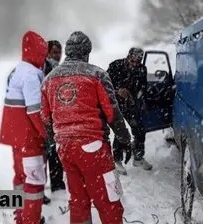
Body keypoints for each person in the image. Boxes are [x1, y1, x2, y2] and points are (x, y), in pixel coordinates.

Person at [41, 31, 131, 224]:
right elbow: (112, 112)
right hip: (93, 148)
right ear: (86, 53)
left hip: (65, 149)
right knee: (109, 200)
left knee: (78, 200)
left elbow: (46, 118)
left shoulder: (48, 79)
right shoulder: (96, 74)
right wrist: (124, 137)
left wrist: (56, 140)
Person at [0, 30, 48, 224]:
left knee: (20, 176)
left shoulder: (17, 70)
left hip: (15, 135)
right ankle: (30, 220)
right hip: (29, 137)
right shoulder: (31, 74)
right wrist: (45, 134)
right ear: (38, 52)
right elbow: (35, 110)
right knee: (35, 180)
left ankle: (21, 216)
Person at [107, 47, 153, 175]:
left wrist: (143, 101)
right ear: (128, 57)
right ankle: (117, 160)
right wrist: (117, 90)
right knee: (120, 130)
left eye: (137, 62)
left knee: (139, 128)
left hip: (132, 104)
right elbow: (104, 85)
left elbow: (143, 87)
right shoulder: (115, 65)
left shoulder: (142, 69)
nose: (135, 65)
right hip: (115, 104)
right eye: (133, 61)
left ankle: (138, 157)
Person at [43, 40, 66, 193]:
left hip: (54, 115)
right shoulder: (47, 68)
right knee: (52, 149)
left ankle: (55, 181)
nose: (57, 55)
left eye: (59, 52)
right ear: (47, 52)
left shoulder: (56, 67)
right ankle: (56, 183)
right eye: (54, 52)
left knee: (53, 149)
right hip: (49, 115)